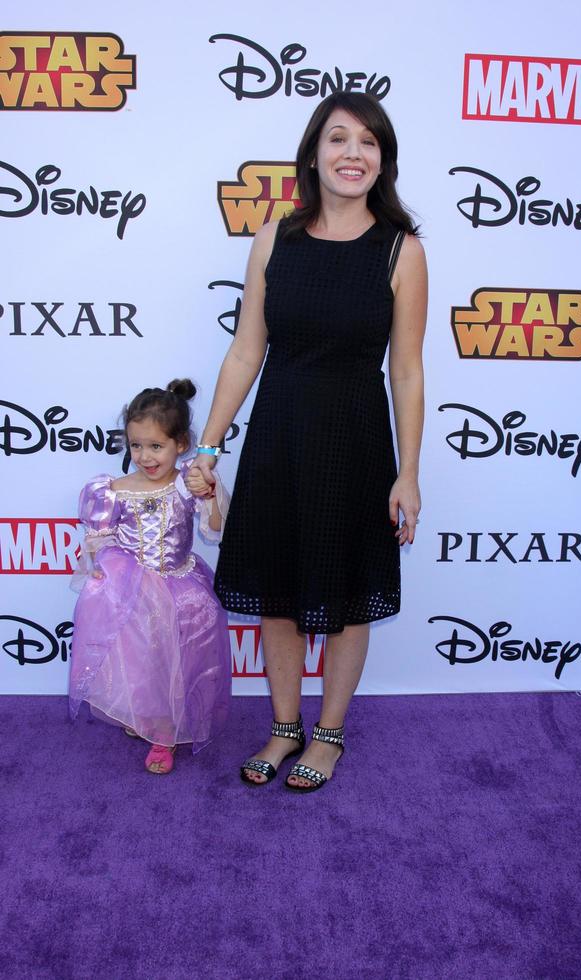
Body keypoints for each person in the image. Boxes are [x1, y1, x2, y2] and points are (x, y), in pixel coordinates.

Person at [190, 91, 427, 792]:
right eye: (339, 139)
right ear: (314, 153)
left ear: (382, 161)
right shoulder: (274, 240)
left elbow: (408, 371)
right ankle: (284, 726)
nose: (353, 154)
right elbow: (244, 353)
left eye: (369, 143)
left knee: (351, 593)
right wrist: (207, 450)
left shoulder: (401, 251)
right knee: (278, 592)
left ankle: (329, 734)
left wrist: (408, 474)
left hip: (355, 443)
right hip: (279, 438)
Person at [69, 379, 231, 775]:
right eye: (136, 445)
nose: (144, 456)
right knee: (139, 661)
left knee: (175, 661)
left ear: (181, 444)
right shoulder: (114, 489)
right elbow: (99, 540)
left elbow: (216, 529)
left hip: (181, 589)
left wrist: (209, 493)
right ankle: (144, 714)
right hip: (133, 595)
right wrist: (100, 566)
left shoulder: (186, 484)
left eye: (155, 446)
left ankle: (164, 732)